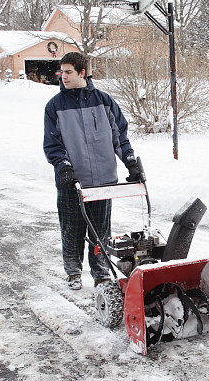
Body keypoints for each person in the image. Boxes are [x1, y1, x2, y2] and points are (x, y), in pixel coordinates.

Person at [43, 52, 141, 290]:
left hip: (103, 180)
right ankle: (73, 271)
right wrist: (63, 167)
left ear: (82, 73)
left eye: (68, 72)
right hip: (72, 182)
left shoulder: (104, 100)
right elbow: (53, 144)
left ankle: (100, 272)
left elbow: (120, 135)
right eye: (61, 72)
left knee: (100, 232)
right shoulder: (55, 106)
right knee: (72, 229)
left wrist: (130, 162)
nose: (63, 77)